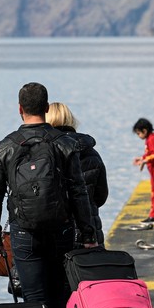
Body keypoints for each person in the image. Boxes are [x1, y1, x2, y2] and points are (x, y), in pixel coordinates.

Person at [0, 82, 98, 308]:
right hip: (62, 229)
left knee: (34, 297)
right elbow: (79, 192)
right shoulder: (65, 144)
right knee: (61, 293)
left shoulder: (4, 148)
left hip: (24, 232)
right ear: (46, 109)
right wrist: (88, 233)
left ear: (20, 109)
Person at [47, 102, 109, 245]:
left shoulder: (45, 153)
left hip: (57, 232)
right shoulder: (91, 153)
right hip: (89, 232)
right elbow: (101, 196)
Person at [132, 118, 154, 225]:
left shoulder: (152, 138)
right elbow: (150, 152)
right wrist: (142, 158)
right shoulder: (151, 138)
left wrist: (144, 160)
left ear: (145, 130)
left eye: (139, 133)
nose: (138, 136)